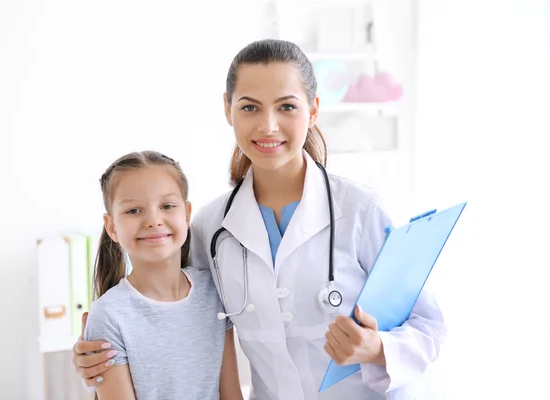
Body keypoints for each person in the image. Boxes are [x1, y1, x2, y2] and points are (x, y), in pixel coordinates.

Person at [73, 39, 447, 400]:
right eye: (250, 107)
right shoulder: (210, 226)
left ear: (313, 110)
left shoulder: (362, 209)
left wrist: (377, 347)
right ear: (227, 109)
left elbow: (428, 325)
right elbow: (175, 315)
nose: (268, 126)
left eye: (286, 107)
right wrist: (99, 353)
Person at [81, 150, 243, 400]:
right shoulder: (109, 315)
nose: (154, 220)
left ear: (187, 214)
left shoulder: (213, 293)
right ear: (111, 226)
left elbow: (231, 394)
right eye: (133, 211)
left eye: (167, 206)